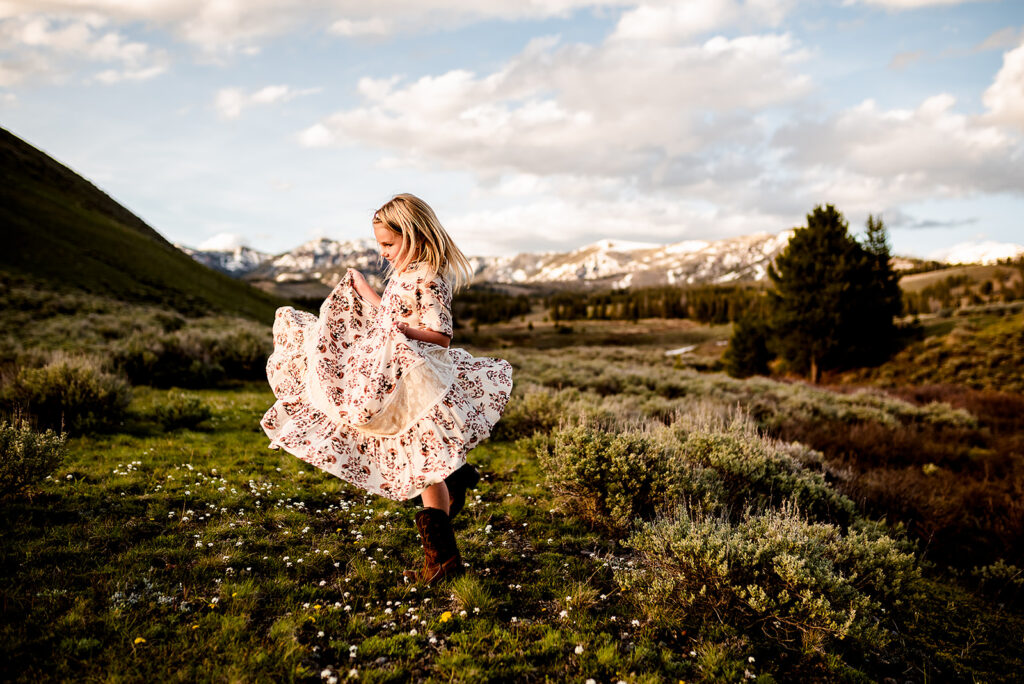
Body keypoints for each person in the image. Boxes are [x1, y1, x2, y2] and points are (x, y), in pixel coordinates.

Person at [260, 193, 513, 585]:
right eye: (381, 245)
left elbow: (440, 335)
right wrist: (366, 294)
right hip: (402, 381)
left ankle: (443, 558)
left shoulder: (428, 277)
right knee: (426, 468)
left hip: (420, 387)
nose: (384, 253)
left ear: (414, 236)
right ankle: (445, 544)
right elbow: (393, 317)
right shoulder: (403, 277)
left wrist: (398, 330)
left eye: (389, 245)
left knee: (426, 469)